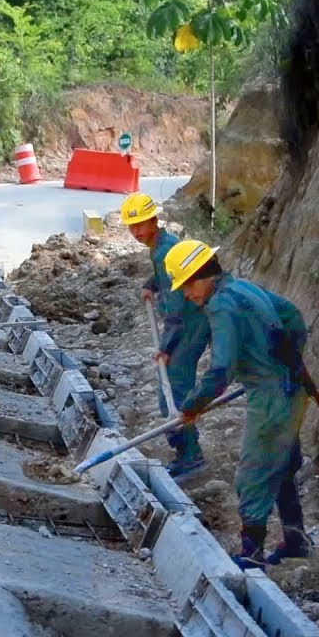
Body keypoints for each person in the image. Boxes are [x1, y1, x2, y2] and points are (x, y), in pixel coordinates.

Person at [165, 239, 314, 570]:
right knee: (283, 464)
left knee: (254, 471)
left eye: (187, 286)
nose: (187, 295)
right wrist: (284, 361)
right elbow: (292, 316)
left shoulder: (221, 306)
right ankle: (295, 540)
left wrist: (193, 405)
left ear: (201, 276)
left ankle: (251, 553)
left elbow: (220, 369)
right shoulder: (243, 287)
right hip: (294, 386)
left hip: (272, 397)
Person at [119, 193, 211, 481]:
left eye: (140, 225)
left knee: (173, 394)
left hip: (189, 325)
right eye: (131, 227)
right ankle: (186, 451)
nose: (135, 233)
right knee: (170, 391)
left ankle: (191, 457)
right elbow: (167, 278)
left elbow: (176, 310)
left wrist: (165, 346)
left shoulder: (162, 251)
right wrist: (151, 284)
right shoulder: (162, 244)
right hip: (191, 321)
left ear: (154, 220)